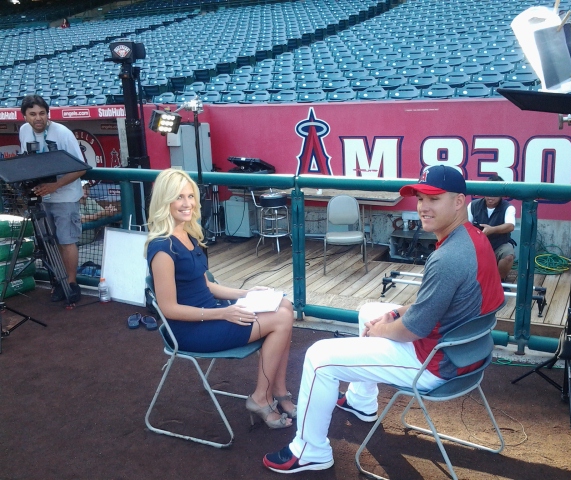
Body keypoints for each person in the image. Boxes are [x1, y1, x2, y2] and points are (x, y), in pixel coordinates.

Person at [263, 165, 504, 474]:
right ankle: (361, 402)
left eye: (434, 198)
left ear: (459, 202)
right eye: (420, 197)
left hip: (436, 364)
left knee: (318, 357)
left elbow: (412, 329)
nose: (423, 207)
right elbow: (436, 304)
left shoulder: (448, 258)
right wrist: (389, 315)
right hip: (465, 350)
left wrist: (381, 330)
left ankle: (309, 450)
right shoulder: (472, 237)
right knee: (370, 310)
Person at [144, 168, 297, 429]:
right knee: (281, 319)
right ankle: (261, 398)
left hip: (211, 315)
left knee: (285, 305)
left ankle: (278, 391)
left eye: (190, 196)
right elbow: (168, 310)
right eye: (179, 197)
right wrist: (222, 313)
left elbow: (206, 285)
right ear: (164, 201)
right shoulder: (162, 248)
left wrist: (246, 293)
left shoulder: (189, 235)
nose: (187, 203)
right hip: (190, 330)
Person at [19, 94, 85, 303]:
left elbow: (81, 168)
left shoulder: (62, 133)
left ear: (48, 114)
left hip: (65, 197)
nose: (38, 118)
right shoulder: (23, 131)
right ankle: (59, 281)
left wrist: (54, 186)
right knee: (50, 242)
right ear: (25, 116)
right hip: (41, 198)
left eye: (42, 113)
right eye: (33, 114)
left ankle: (72, 285)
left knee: (67, 241)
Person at [467, 175, 517, 282]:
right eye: (488, 193)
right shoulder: (472, 205)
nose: (491, 197)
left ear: (501, 194)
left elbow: (510, 226)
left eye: (495, 194)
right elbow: (465, 226)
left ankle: (499, 281)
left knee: (508, 255)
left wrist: (492, 229)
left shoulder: (508, 207)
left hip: (499, 244)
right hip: (477, 244)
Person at [79, 181, 117, 246]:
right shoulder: (72, 203)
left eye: (87, 188)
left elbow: (103, 212)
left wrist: (109, 211)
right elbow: (82, 219)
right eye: (83, 188)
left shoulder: (90, 200)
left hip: (91, 242)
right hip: (77, 244)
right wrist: (102, 213)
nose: (86, 190)